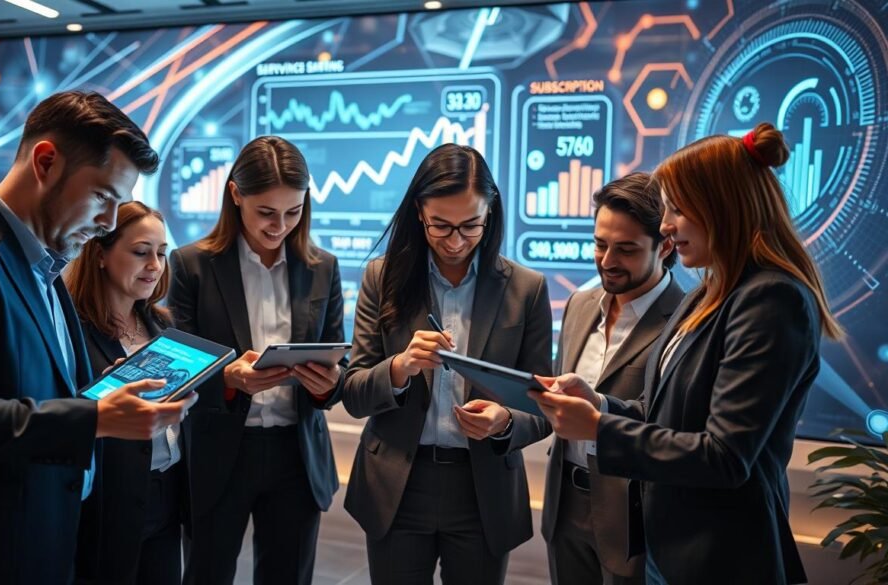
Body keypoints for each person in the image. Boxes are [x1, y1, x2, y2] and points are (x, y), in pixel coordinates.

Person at [0, 91, 198, 585]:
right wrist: (95, 415)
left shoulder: (41, 266)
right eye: (102, 198)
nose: (107, 224)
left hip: (42, 539)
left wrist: (100, 392)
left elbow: (29, 392)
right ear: (45, 161)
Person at [529, 122, 842, 585]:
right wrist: (600, 405)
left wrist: (599, 428)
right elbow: (667, 415)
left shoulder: (772, 299)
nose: (667, 225)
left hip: (720, 556)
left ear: (721, 208)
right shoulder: (710, 293)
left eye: (677, 209)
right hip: (669, 549)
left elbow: (725, 456)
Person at [342, 143, 552, 585]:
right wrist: (399, 367)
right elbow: (355, 393)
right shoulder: (383, 278)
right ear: (419, 212)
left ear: (489, 213)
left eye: (470, 226)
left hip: (483, 490)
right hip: (398, 483)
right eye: (441, 226)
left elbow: (542, 407)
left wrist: (505, 422)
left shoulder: (527, 289)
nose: (455, 241)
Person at [169, 136, 345, 585]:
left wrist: (328, 382)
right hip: (219, 450)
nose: (279, 225)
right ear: (235, 195)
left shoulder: (323, 266)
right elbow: (179, 366)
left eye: (293, 211)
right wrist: (227, 379)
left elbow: (337, 357)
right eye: (266, 212)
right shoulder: (191, 265)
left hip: (297, 454)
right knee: (207, 573)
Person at [540, 173, 682, 585]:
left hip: (635, 517)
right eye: (600, 244)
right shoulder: (580, 304)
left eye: (626, 250)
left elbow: (673, 427)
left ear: (666, 245)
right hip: (564, 502)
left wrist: (601, 414)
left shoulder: (687, 320)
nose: (606, 260)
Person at [66, 201, 185, 584]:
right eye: (141, 252)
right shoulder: (74, 329)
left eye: (161, 253)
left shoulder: (160, 325)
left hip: (166, 491)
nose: (155, 265)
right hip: (107, 499)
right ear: (100, 254)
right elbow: (66, 413)